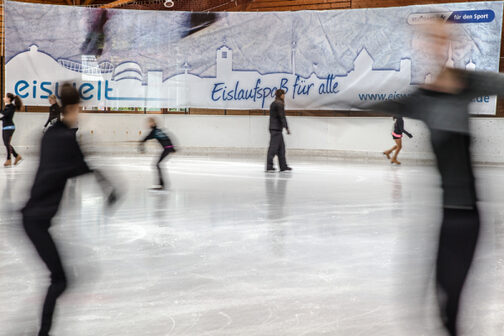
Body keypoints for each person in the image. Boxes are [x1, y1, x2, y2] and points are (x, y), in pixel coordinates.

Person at [366, 19, 504, 336]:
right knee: (440, 304)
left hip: (469, 218)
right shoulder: (421, 100)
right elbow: (368, 104)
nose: (435, 45)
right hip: (446, 217)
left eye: (441, 38)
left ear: (451, 44)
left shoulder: (467, 83)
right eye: (429, 38)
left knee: (451, 301)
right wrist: (320, 103)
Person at [21, 83, 117, 336]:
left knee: (59, 278)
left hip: (32, 217)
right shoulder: (66, 139)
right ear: (76, 108)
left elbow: (77, 165)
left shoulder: (51, 135)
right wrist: (109, 189)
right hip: (37, 221)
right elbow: (85, 168)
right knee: (60, 279)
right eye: (80, 109)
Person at [139, 117, 176, 190]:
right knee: (157, 164)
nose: (148, 124)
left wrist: (141, 147)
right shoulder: (158, 130)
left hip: (167, 149)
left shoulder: (154, 132)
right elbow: (168, 137)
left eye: (149, 123)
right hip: (168, 148)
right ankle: (162, 184)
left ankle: (162, 184)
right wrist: (172, 147)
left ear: (153, 123)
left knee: (157, 164)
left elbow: (144, 139)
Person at [266, 89, 292, 172]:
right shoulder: (279, 104)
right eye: (283, 94)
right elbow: (282, 117)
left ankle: (283, 166)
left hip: (276, 128)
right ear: (281, 95)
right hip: (276, 129)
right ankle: (269, 166)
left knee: (281, 149)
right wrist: (287, 127)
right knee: (273, 149)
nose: (284, 96)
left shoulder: (274, 103)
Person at [1, 93, 23, 167]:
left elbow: (5, 114)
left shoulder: (10, 107)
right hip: (6, 127)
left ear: (9, 99)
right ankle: (16, 156)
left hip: (9, 127)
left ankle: (9, 159)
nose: (4, 98)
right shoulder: (8, 106)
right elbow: (4, 117)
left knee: (7, 143)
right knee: (7, 143)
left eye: (5, 97)